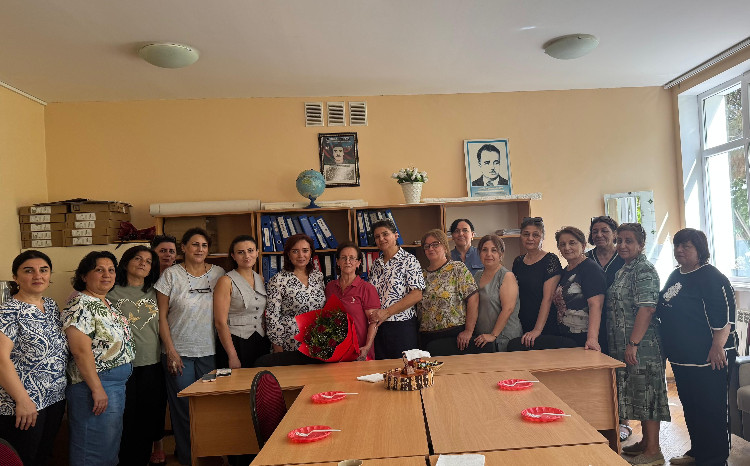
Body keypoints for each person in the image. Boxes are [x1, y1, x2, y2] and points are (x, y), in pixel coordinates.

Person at [657, 228, 737, 466]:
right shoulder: (677, 274)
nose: (680, 250)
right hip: (682, 357)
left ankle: (714, 459)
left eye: (686, 246)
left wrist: (717, 346)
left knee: (710, 410)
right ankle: (698, 452)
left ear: (700, 250)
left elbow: (725, 317)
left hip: (709, 357)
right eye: (677, 245)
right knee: (691, 409)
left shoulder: (712, 277)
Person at [154, 227, 224, 465]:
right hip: (179, 354)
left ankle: (209, 453)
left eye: (204, 245)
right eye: (195, 244)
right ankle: (188, 457)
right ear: (183, 247)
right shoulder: (171, 275)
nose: (200, 249)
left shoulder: (218, 274)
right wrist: (171, 351)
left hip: (209, 353)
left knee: (208, 406)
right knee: (184, 408)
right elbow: (161, 317)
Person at [63, 251, 135, 466]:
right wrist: (96, 388)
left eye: (111, 270)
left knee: (107, 445)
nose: (107, 275)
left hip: (113, 385)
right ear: (84, 276)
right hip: (94, 385)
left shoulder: (103, 302)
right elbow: (80, 351)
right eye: (99, 270)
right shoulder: (80, 304)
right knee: (92, 448)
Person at [606, 223, 670, 465]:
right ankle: (646, 442)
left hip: (643, 346)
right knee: (638, 392)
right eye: (619, 240)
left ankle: (654, 451)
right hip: (626, 344)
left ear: (641, 245)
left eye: (629, 241)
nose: (622, 245)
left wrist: (633, 343)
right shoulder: (625, 269)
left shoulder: (644, 270)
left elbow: (647, 308)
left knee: (648, 393)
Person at [0, 251, 66, 466]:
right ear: (16, 277)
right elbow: (1, 359)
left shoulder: (51, 305)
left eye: (43, 270)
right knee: (22, 458)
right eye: (29, 271)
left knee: (43, 455)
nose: (38, 275)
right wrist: (23, 400)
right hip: (22, 403)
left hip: (54, 398)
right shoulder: (8, 311)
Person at [107, 245, 165, 466]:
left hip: (152, 362)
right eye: (138, 258)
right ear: (126, 262)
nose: (143, 264)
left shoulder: (156, 292)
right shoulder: (111, 291)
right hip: (122, 364)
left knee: (148, 415)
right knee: (126, 416)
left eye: (148, 262)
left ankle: (143, 458)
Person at [586, 215, 627, 438]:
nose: (599, 235)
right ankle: (599, 419)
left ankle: (624, 421)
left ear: (614, 233)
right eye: (595, 231)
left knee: (620, 371)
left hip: (620, 324)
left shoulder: (624, 257)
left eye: (604, 230)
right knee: (598, 373)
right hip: (593, 324)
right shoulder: (586, 258)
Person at [262, 234, 326, 365]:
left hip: (318, 343)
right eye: (295, 251)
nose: (301, 255)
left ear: (311, 253)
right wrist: (278, 347)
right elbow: (272, 317)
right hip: (290, 345)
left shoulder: (318, 276)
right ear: (288, 254)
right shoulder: (278, 280)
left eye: (305, 250)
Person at [417, 229, 482, 356]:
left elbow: (473, 299)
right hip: (426, 337)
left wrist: (469, 331)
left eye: (435, 244)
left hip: (455, 336)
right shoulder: (421, 275)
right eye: (427, 246)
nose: (431, 248)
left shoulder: (457, 268)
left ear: (445, 247)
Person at [368, 220, 425, 359]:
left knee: (404, 367)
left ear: (395, 235)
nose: (381, 239)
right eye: (377, 236)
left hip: (402, 326)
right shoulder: (376, 264)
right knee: (381, 369)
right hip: (378, 327)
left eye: (385, 234)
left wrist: (387, 312)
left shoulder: (409, 260)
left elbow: (417, 294)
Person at [213, 235, 271, 369]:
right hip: (235, 342)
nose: (247, 256)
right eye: (240, 252)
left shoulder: (260, 279)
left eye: (250, 251)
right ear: (233, 256)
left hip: (260, 340)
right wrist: (232, 356)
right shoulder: (225, 281)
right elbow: (220, 323)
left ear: (257, 252)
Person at [507, 217, 562, 351]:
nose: (530, 238)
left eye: (535, 235)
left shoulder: (550, 260)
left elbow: (548, 298)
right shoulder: (518, 261)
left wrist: (537, 330)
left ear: (542, 237)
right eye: (526, 234)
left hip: (544, 324)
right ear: (521, 236)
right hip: (522, 321)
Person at [552, 226, 606, 350]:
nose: (567, 248)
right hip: (567, 336)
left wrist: (592, 338)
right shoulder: (565, 271)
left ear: (583, 245)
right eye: (562, 244)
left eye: (572, 243)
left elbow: (596, 305)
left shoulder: (590, 269)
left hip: (585, 338)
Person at [325, 242, 380, 360]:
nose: (347, 261)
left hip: (359, 351)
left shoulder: (367, 289)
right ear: (337, 262)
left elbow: (373, 322)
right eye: (343, 258)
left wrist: (367, 347)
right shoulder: (330, 287)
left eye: (352, 258)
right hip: (335, 350)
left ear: (358, 263)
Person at [472, 235, 522, 352]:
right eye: (484, 250)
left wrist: (493, 335)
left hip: (503, 338)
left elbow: (508, 309)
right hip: (483, 338)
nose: (488, 254)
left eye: (494, 250)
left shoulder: (507, 276)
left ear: (501, 254)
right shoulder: (477, 275)